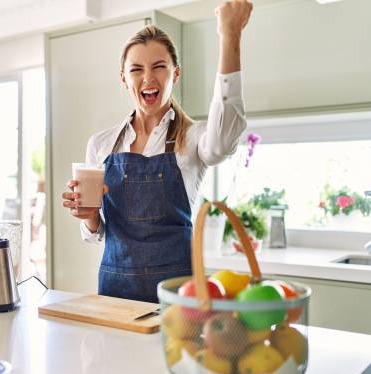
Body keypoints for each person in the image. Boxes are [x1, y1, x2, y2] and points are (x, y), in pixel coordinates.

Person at [62, 0, 252, 303]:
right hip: (114, 295)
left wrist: (229, 36)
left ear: (175, 74)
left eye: (158, 67)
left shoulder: (193, 138)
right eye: (136, 69)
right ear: (124, 78)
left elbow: (223, 140)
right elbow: (96, 233)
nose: (148, 78)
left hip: (178, 297)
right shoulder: (102, 144)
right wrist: (88, 216)